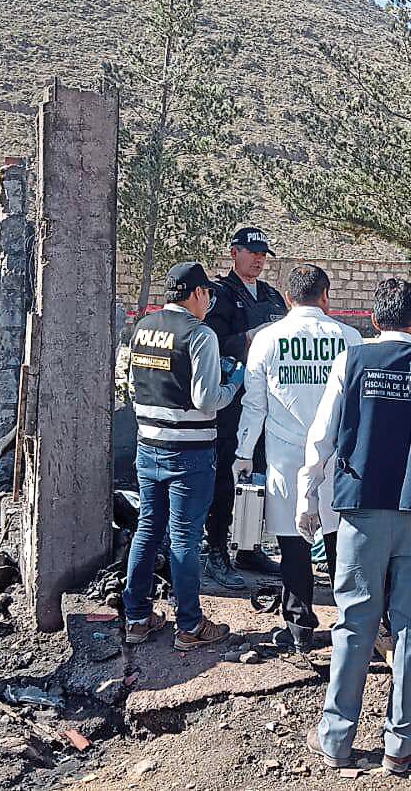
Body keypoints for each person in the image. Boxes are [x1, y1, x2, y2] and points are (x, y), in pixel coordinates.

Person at [297, 279, 411, 774]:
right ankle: (400, 745)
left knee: (354, 622)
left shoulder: (351, 362)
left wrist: (307, 492)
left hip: (362, 511)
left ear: (374, 320)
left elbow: (322, 437)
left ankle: (336, 740)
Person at [233, 264, 363, 651]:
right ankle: (351, 624)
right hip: (339, 458)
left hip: (286, 458)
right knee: (341, 542)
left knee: (293, 545)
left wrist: (243, 453)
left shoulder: (269, 339)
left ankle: (299, 627)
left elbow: (254, 405)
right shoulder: (350, 337)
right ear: (326, 296)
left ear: (288, 299)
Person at [122, 262, 242, 651]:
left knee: (148, 529)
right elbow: (207, 401)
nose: (208, 301)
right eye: (207, 294)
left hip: (148, 446)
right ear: (197, 293)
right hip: (188, 452)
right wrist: (234, 382)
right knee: (184, 539)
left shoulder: (144, 328)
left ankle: (137, 618)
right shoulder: (200, 335)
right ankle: (189, 626)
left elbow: (134, 385)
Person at [202, 226, 289, 588]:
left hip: (268, 399)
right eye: (251, 252)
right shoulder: (220, 295)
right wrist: (250, 338)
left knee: (257, 476)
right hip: (233, 402)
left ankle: (249, 546)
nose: (258, 259)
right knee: (226, 475)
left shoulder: (270, 295)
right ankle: (217, 550)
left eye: (262, 254)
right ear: (233, 252)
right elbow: (212, 343)